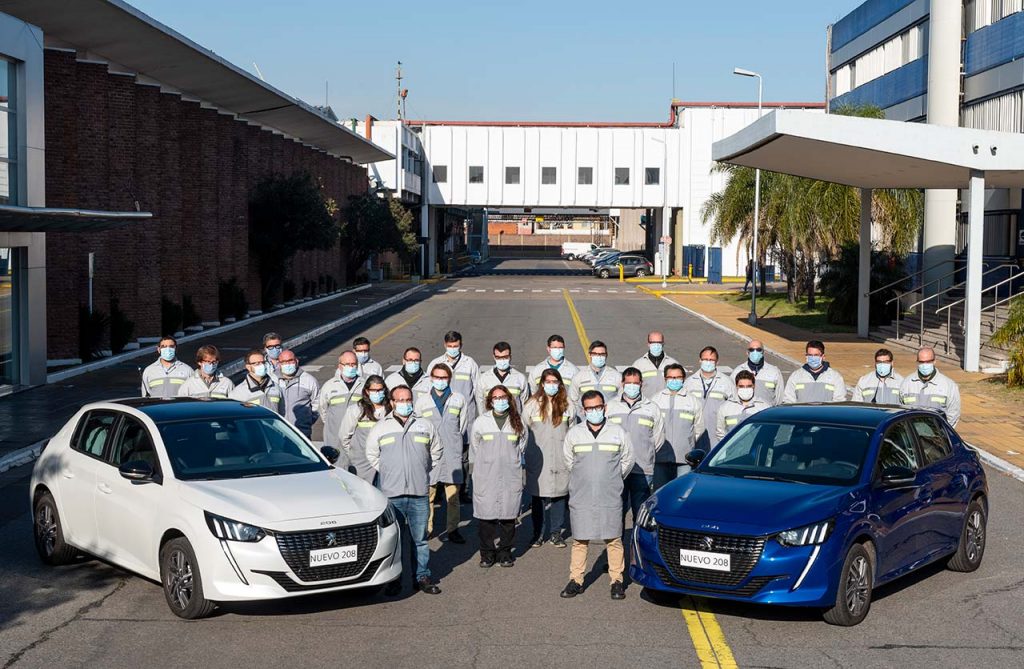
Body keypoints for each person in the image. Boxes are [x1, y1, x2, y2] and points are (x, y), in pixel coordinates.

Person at [365, 385, 443, 596]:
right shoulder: (381, 427)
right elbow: (372, 454)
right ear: (392, 402)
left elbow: (436, 450)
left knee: (420, 539)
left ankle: (422, 576)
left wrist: (423, 469)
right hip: (392, 494)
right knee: (395, 540)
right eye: (400, 399)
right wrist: (390, 471)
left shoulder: (424, 425)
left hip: (419, 492)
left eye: (408, 399)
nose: (405, 403)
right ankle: (394, 579)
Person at [560, 390, 634, 601]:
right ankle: (576, 580)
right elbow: (569, 461)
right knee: (580, 539)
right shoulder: (574, 433)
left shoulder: (617, 432)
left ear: (605, 408)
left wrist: (611, 478)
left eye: (598, 407)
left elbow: (627, 460)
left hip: (609, 494)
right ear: (584, 410)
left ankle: (617, 581)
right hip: (582, 494)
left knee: (613, 539)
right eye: (590, 408)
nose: (594, 411)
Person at [470, 385, 528, 568]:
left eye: (503, 397)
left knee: (508, 517)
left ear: (509, 399)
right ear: (490, 401)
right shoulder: (481, 422)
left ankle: (505, 552)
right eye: (495, 397)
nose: (499, 400)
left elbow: (522, 447)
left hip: (510, 475)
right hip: (486, 475)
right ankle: (487, 553)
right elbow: (475, 446)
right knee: (486, 518)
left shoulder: (518, 422)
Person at [415, 363, 469, 543]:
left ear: (449, 379)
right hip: (429, 455)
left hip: (452, 454)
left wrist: (452, 442)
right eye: (437, 377)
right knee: (428, 495)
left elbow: (462, 426)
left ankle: (453, 529)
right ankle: (428, 528)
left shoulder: (458, 399)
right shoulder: (423, 402)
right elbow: (417, 427)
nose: (440, 381)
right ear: (431, 378)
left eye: (444, 378)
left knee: (453, 496)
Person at [523, 368, 574, 547]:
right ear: (542, 384)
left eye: (555, 382)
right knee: (538, 496)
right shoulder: (532, 404)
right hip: (538, 457)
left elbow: (573, 430)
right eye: (548, 382)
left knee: (559, 495)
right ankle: (537, 534)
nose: (551, 385)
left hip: (561, 456)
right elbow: (523, 430)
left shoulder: (567, 403)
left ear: (560, 383)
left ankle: (556, 533)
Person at [606, 367, 664, 522]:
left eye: (635, 383)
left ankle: (636, 543)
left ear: (641, 384)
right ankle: (617, 545)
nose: (632, 386)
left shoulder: (652, 408)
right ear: (622, 383)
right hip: (617, 467)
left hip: (643, 468)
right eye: (629, 382)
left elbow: (658, 439)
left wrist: (646, 453)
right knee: (617, 509)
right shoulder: (611, 407)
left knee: (640, 511)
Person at [652, 363, 703, 489]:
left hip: (684, 459)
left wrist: (688, 445)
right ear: (665, 379)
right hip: (660, 458)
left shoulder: (693, 402)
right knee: (660, 492)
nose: (674, 381)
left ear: (683, 379)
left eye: (678, 377)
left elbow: (699, 430)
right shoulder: (655, 400)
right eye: (671, 377)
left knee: (682, 492)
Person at [338, 375, 389, 482]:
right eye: (374, 390)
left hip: (385, 462)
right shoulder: (356, 409)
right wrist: (355, 453)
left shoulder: (390, 409)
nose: (377, 393)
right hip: (362, 464)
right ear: (367, 391)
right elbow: (344, 436)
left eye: (380, 390)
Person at [682, 346, 735, 450]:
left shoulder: (727, 383)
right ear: (700, 361)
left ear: (717, 362)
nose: (708, 362)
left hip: (718, 437)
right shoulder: (689, 383)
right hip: (695, 437)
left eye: (711, 360)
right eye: (705, 359)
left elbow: (733, 408)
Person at [899, 347, 961, 427]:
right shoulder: (906, 384)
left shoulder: (949, 386)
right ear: (917, 362)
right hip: (912, 436)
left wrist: (942, 433)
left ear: (934, 361)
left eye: (928, 361)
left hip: (937, 437)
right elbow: (901, 410)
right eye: (921, 362)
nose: (925, 365)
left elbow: (953, 414)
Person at [319, 351, 364, 452]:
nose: (351, 367)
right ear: (340, 366)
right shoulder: (329, 386)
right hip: (334, 441)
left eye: (353, 364)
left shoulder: (364, 385)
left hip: (357, 442)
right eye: (347, 364)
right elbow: (323, 411)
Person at [783, 340, 847, 404]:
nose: (813, 358)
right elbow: (788, 401)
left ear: (823, 357)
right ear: (806, 356)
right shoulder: (796, 376)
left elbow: (839, 403)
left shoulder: (835, 377)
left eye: (816, 355)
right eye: (810, 355)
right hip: (802, 414)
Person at [716, 370, 772, 443]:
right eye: (741, 386)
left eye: (749, 386)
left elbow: (769, 432)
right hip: (732, 453)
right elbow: (720, 433)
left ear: (754, 386)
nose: (745, 389)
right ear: (736, 387)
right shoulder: (725, 408)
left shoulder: (764, 408)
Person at [276, 349, 321, 438]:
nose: (288, 364)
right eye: (284, 362)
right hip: (277, 433)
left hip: (301, 434)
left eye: (290, 361)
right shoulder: (272, 380)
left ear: (296, 361)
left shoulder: (309, 380)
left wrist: (306, 422)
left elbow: (317, 405)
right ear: (279, 364)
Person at [569, 340, 622, 413]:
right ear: (590, 355)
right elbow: (572, 400)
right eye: (595, 354)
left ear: (606, 355)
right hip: (585, 420)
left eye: (602, 354)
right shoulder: (579, 377)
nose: (599, 357)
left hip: (609, 420)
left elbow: (622, 399)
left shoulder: (617, 376)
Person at [476, 341, 529, 413]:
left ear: (510, 356)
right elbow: (481, 405)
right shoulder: (483, 379)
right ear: (494, 357)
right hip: (491, 422)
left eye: (505, 357)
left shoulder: (520, 378)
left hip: (514, 422)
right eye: (498, 357)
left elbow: (525, 406)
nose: (502, 360)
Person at [228, 348, 284, 414]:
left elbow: (282, 412)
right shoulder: (238, 393)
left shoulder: (276, 387)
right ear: (248, 367)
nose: (262, 365)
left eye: (263, 362)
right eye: (257, 364)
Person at [731, 339, 784, 406]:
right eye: (751, 350)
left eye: (758, 350)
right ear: (747, 352)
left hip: (766, 415)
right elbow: (732, 395)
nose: (755, 352)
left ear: (763, 352)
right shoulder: (737, 371)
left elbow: (779, 399)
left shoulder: (774, 372)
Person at [632, 331, 679, 396]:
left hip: (667, 404)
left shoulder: (673, 363)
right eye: (653, 342)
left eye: (659, 342)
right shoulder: (638, 365)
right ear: (648, 344)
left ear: (663, 343)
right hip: (646, 404)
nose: (656, 345)